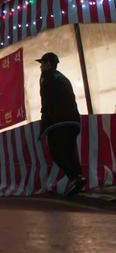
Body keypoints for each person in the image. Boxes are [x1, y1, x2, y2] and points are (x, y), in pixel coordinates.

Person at [37, 52, 87, 197]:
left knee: (56, 151)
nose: (41, 66)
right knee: (70, 151)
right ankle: (79, 178)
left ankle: (75, 178)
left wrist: (44, 123)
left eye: (42, 63)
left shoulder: (46, 77)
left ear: (48, 64)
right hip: (73, 120)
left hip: (58, 122)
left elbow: (46, 101)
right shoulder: (63, 78)